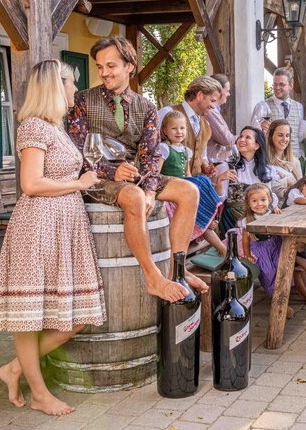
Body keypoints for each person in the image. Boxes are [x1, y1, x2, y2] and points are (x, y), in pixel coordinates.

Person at [0, 60, 105, 417]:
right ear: (56, 86)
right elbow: (31, 184)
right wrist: (79, 183)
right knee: (31, 315)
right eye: (72, 83)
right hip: (38, 227)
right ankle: (39, 393)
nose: (76, 90)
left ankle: (13, 369)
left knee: (77, 315)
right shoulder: (33, 127)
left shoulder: (57, 127)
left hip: (64, 225)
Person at [67, 36, 207, 302]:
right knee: (133, 196)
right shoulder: (82, 101)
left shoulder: (147, 107)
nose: (104, 72)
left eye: (111, 65)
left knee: (189, 190)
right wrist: (111, 172)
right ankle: (153, 278)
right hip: (95, 177)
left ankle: (176, 272)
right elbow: (76, 152)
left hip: (137, 176)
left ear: (129, 66)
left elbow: (152, 154)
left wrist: (151, 189)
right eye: (100, 67)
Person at [238, 184, 306, 311]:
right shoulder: (246, 220)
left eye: (263, 200)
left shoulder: (272, 213)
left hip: (276, 245)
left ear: (269, 200)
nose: (259, 204)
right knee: (270, 276)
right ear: (248, 203)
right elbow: (245, 238)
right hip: (261, 251)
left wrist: (276, 210)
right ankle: (280, 307)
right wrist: (247, 254)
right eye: (254, 201)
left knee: (291, 260)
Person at [158, 111, 231, 255]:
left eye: (182, 128)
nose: (179, 132)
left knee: (200, 181)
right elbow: (157, 174)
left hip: (184, 185)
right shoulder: (164, 148)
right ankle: (212, 226)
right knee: (202, 180)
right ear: (165, 130)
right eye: (174, 128)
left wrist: (191, 183)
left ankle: (221, 246)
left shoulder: (186, 151)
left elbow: (188, 174)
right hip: (170, 186)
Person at [218, 126, 289, 231]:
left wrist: (274, 207)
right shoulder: (226, 166)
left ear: (256, 145)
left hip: (259, 216)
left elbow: (269, 194)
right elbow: (220, 199)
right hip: (233, 219)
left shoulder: (266, 169)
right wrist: (220, 180)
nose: (242, 139)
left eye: (247, 137)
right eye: (241, 136)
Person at [158, 75, 223, 176]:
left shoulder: (206, 124)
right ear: (200, 95)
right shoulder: (167, 112)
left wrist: (206, 167)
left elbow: (202, 156)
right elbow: (152, 149)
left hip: (195, 183)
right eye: (212, 101)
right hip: (171, 185)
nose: (213, 106)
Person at [251, 68, 306, 159]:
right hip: (272, 160)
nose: (277, 88)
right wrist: (262, 130)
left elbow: (300, 136)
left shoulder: (299, 107)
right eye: (275, 84)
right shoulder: (262, 106)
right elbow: (254, 135)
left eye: (281, 84)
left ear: (291, 85)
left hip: (295, 160)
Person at [206, 73, 235, 165]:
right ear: (218, 90)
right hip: (211, 164)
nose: (229, 94)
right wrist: (247, 137)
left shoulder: (215, 110)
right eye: (227, 90)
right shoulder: (210, 111)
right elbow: (226, 140)